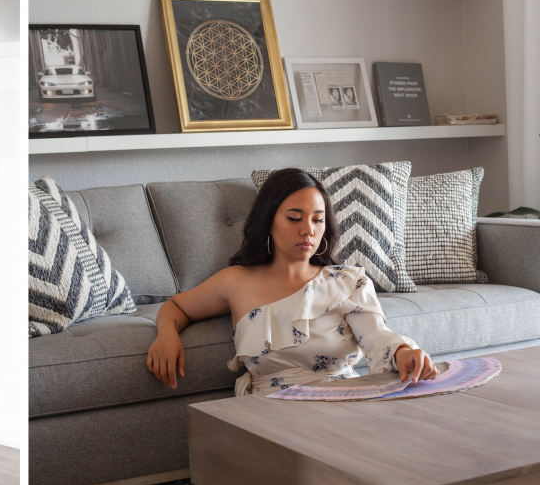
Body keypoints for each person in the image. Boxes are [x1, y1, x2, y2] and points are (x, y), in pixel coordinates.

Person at [146, 168, 438, 395]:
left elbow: (376, 337)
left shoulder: (347, 282)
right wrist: (166, 337)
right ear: (269, 222)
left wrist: (403, 352)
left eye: (317, 219)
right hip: (273, 408)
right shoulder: (235, 281)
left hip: (345, 398)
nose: (308, 230)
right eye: (294, 218)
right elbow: (176, 307)